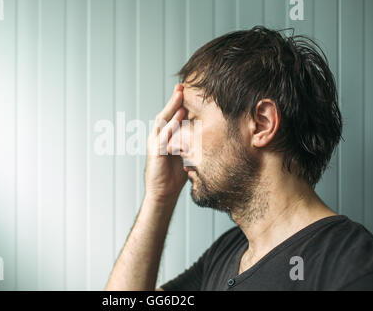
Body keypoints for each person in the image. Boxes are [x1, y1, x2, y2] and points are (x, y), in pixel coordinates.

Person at [105, 26, 373, 291]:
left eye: (191, 120)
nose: (173, 144)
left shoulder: (352, 266)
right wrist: (159, 197)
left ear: (262, 123)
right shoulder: (226, 253)